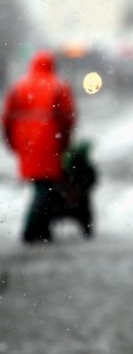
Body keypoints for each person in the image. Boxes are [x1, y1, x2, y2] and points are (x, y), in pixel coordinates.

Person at [2, 49, 76, 244]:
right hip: (49, 140)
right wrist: (65, 142)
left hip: (24, 141)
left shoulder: (19, 86)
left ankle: (42, 229)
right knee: (45, 186)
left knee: (40, 184)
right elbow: (68, 117)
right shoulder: (58, 87)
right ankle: (31, 228)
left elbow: (7, 118)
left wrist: (11, 142)